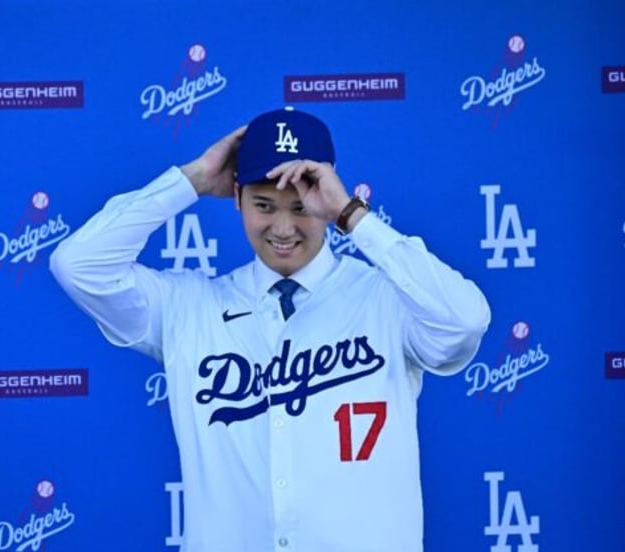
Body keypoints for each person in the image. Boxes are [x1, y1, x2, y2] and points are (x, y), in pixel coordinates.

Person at [50, 107, 491, 552]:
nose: (283, 229)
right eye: (264, 205)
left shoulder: (386, 299)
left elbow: (465, 321)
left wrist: (353, 215)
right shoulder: (188, 308)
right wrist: (194, 178)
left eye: (301, 207)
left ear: (328, 195)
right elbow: (78, 265)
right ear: (237, 196)